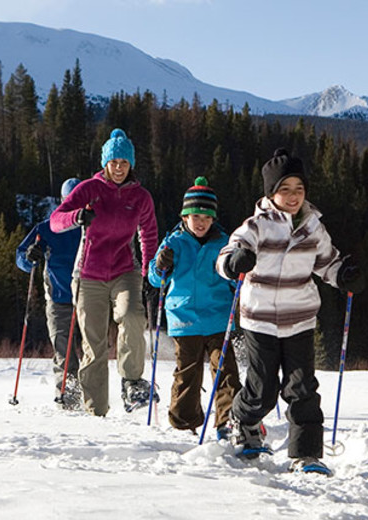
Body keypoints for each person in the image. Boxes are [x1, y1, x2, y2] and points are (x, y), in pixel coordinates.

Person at [215, 148, 365, 474]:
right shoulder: (256, 226)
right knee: (262, 391)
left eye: (299, 189)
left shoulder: (313, 227)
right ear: (271, 193)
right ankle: (243, 419)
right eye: (285, 189)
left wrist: (344, 275)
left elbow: (327, 262)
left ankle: (307, 454)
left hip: (299, 320)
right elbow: (225, 256)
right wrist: (233, 261)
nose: (293, 196)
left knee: (302, 389)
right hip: (260, 321)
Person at [50, 128, 158, 416]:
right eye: (114, 163)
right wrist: (77, 216)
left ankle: (132, 381)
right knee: (94, 346)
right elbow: (56, 221)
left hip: (126, 270)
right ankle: (95, 411)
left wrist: (149, 274)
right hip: (88, 274)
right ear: (105, 164)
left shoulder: (141, 197)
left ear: (131, 164)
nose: (119, 168)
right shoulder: (89, 189)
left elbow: (148, 236)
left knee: (133, 316)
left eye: (124, 163)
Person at [148, 177, 242, 437]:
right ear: (184, 216)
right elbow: (155, 279)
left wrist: (238, 271)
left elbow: (236, 278)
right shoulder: (174, 242)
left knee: (225, 369)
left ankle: (228, 420)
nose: (200, 222)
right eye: (195, 216)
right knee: (188, 371)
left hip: (217, 316)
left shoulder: (224, 243)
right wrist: (160, 265)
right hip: (184, 316)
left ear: (213, 219)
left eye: (206, 217)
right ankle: (183, 420)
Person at [15, 178, 84, 410]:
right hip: (59, 299)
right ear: (63, 201)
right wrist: (30, 257)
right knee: (63, 350)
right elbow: (21, 256)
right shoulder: (48, 227)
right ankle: (68, 397)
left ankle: (93, 398)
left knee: (92, 351)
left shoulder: (92, 226)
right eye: (71, 201)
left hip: (88, 298)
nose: (75, 206)